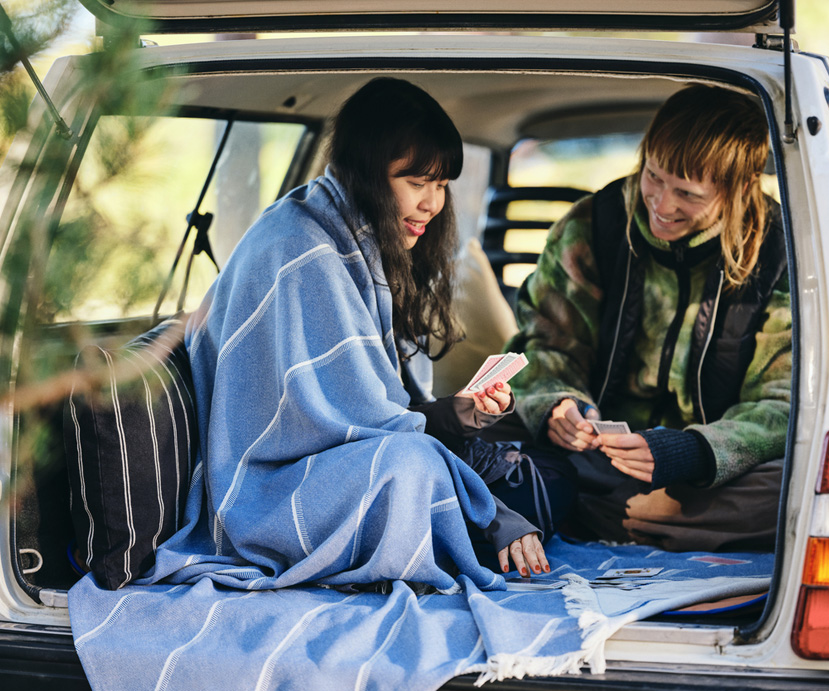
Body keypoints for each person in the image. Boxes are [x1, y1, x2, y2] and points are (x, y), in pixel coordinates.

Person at [159, 77, 549, 593]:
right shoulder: (303, 252)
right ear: (366, 171)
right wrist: (494, 515)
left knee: (530, 472)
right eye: (417, 182)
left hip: (331, 464)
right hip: (267, 494)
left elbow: (368, 411)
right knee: (413, 467)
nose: (432, 204)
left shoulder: (354, 238)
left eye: (442, 185)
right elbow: (343, 430)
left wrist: (459, 413)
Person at [506, 84, 790, 551]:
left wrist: (693, 453)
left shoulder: (781, 253)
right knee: (477, 434)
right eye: (653, 176)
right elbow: (545, 345)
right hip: (592, 460)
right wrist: (558, 405)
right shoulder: (590, 226)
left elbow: (782, 403)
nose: (661, 204)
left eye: (687, 193)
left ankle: (592, 512)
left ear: (740, 187)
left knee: (797, 489)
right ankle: (625, 515)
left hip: (708, 478)